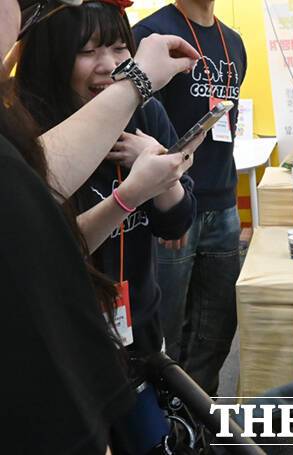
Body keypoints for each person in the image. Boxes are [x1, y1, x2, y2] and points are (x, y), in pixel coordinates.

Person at [1, 0, 200, 452]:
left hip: (142, 326)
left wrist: (166, 179)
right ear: (53, 55)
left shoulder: (145, 115)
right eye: (87, 51)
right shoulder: (28, 129)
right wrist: (128, 197)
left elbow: (177, 222)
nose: (108, 65)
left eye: (117, 48)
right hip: (70, 338)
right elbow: (50, 245)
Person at [134, 0, 248, 396]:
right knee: (165, 330)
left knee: (217, 327)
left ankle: (199, 415)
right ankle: (164, 413)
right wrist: (167, 202)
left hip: (224, 203)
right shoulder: (151, 35)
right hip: (172, 204)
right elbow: (139, 125)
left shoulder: (233, 42)